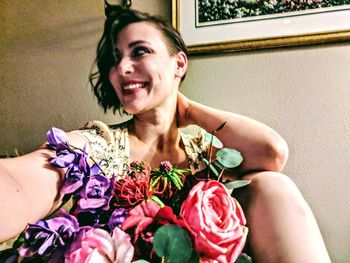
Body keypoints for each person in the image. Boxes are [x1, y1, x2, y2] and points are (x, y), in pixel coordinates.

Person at [0, 4, 331, 262]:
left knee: (272, 184)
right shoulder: (96, 144)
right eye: (114, 61)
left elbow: (272, 153)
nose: (122, 69)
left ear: (179, 64)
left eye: (139, 51)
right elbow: (28, 178)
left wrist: (189, 111)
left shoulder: (206, 152)